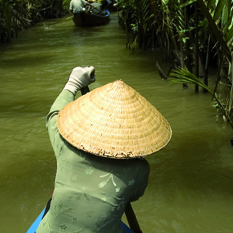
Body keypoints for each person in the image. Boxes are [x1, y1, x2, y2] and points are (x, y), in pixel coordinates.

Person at [36, 66, 172, 233]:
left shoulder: (66, 148)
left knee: (52, 202)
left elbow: (53, 116)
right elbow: (134, 195)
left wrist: (73, 83)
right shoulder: (139, 168)